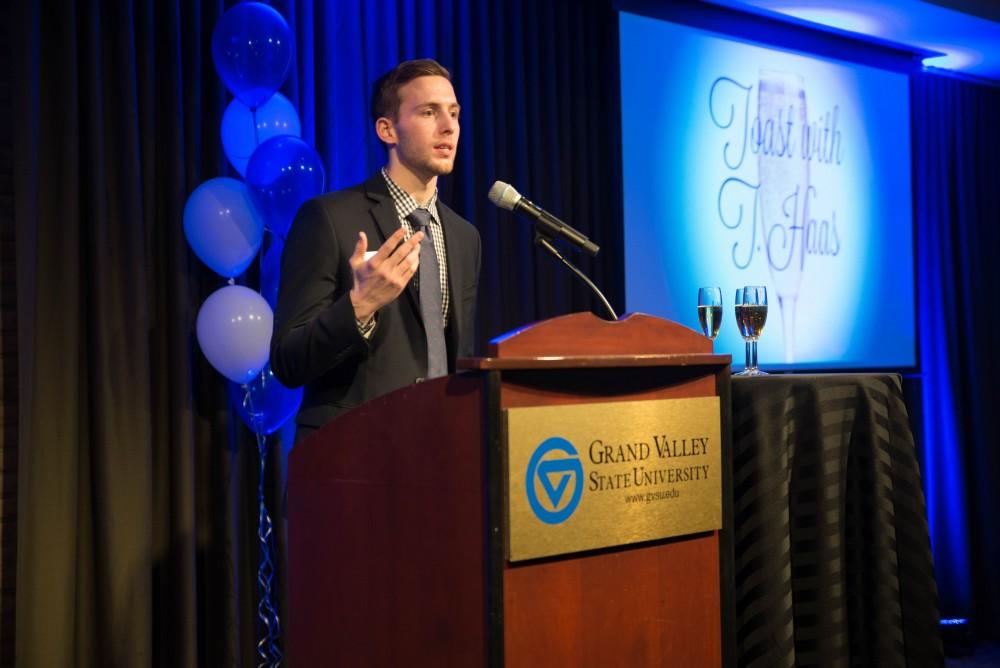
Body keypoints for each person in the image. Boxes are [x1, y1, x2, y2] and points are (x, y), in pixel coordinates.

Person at [270, 59, 481, 441]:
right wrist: (360, 306)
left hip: (440, 453)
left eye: (453, 113)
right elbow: (288, 360)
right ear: (387, 129)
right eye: (428, 112)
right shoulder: (329, 219)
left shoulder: (465, 237)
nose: (449, 127)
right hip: (354, 454)